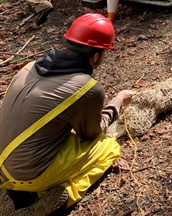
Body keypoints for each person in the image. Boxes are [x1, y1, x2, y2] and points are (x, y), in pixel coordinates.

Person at [0, 13, 135, 215]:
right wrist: (118, 101)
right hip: (27, 173)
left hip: (2, 160)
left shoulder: (30, 66)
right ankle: (60, 195)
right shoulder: (87, 88)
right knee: (108, 147)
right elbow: (91, 134)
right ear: (96, 56)